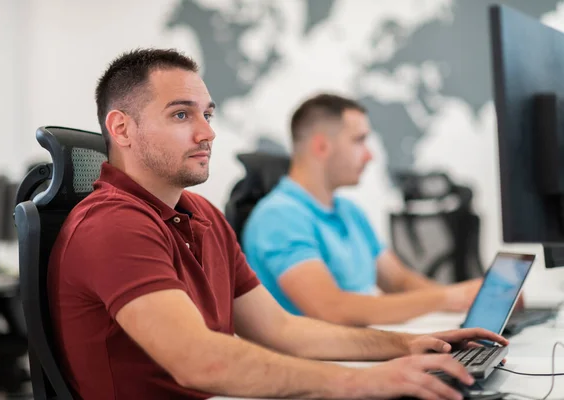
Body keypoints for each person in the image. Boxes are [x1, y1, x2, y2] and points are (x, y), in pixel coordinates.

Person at [48, 49, 506, 400]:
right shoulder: (113, 224)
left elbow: (282, 330)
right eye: (182, 114)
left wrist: (407, 347)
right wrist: (358, 384)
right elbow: (200, 362)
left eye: (208, 114)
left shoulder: (202, 215)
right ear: (122, 129)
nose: (207, 132)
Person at [242, 93, 484, 326]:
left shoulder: (349, 211)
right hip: (321, 363)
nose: (369, 156)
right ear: (322, 146)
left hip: (360, 350)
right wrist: (448, 297)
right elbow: (331, 309)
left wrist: (468, 299)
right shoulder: (278, 217)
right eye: (359, 140)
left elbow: (398, 282)